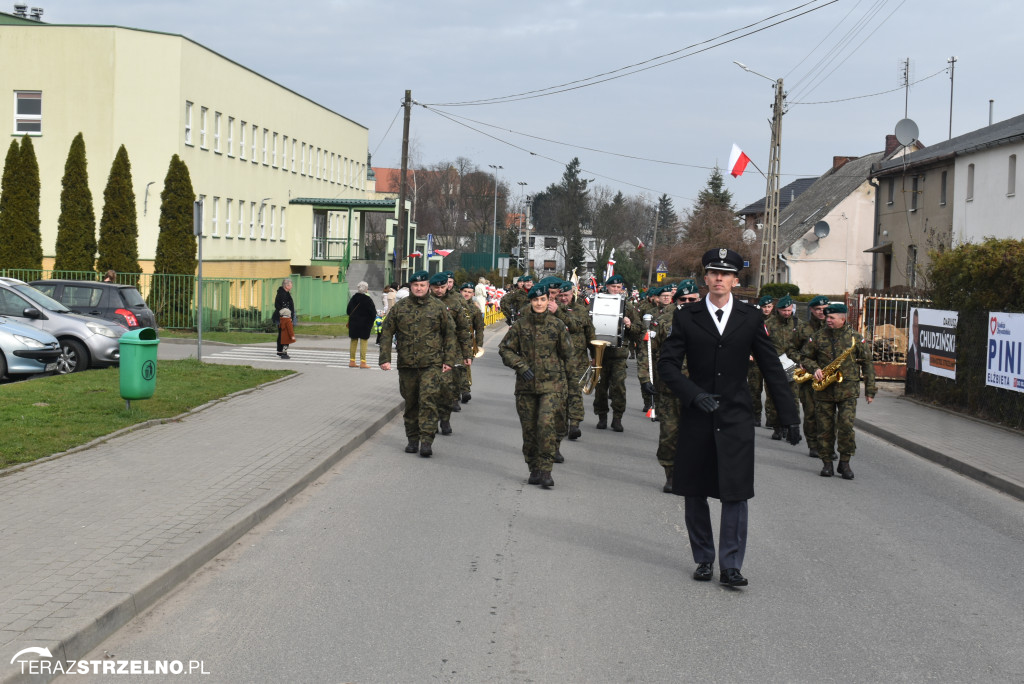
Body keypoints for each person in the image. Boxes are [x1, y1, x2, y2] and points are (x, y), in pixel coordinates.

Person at [658, 248, 801, 588]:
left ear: (736, 280)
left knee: (735, 492)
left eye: (726, 274)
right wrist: (693, 394)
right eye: (712, 272)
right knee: (694, 491)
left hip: (736, 417)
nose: (719, 278)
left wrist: (789, 415)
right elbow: (666, 365)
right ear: (705, 278)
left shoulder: (751, 318)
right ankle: (704, 559)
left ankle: (732, 564)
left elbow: (771, 367)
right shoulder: (686, 315)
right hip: (697, 415)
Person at [378, 270, 459, 458]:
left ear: (428, 286)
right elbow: (387, 333)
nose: (419, 288)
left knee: (428, 401)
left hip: (432, 364)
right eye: (416, 286)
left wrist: (448, 360)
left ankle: (426, 441)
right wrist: (385, 358)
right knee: (411, 403)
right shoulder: (400, 308)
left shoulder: (438, 308)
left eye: (422, 285)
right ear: (411, 287)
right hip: (407, 365)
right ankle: (412, 440)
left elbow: (450, 335)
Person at [499, 283, 573, 488]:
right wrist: (520, 365)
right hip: (526, 386)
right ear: (530, 302)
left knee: (545, 425)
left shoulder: (557, 325)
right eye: (535, 300)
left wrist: (569, 385)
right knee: (530, 430)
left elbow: (568, 354)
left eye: (543, 300)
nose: (539, 303)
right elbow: (505, 350)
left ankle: (547, 469)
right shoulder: (521, 325)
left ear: (549, 300)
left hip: (552, 385)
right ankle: (534, 467)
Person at [799, 302, 876, 479]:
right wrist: (814, 368)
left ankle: (845, 462)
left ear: (843, 319)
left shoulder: (855, 338)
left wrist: (870, 390)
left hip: (848, 390)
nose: (828, 320)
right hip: (824, 390)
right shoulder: (817, 337)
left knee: (846, 427)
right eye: (827, 317)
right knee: (825, 428)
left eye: (832, 318)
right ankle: (827, 463)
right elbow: (805, 357)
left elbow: (868, 364)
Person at [637, 279, 700, 492]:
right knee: (670, 434)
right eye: (684, 299)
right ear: (676, 300)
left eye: (693, 299)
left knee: (695, 435)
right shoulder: (663, 322)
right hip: (669, 388)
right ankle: (671, 475)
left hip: (698, 390)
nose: (688, 303)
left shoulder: (708, 322)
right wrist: (645, 378)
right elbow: (646, 352)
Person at [593, 274, 641, 432]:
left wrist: (629, 325)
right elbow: (589, 328)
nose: (615, 289)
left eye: (618, 287)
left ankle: (617, 418)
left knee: (618, 387)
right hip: (601, 354)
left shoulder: (628, 307)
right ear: (607, 287)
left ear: (622, 289)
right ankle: (602, 417)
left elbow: (638, 331)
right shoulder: (597, 304)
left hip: (619, 355)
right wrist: (592, 353)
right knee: (600, 388)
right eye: (613, 287)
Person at [555, 280, 595, 442]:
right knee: (560, 394)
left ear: (573, 294)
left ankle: (575, 424)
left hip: (578, 360)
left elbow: (581, 328)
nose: (564, 298)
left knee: (574, 392)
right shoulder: (551, 309)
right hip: (557, 360)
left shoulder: (580, 310)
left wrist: (595, 355)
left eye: (566, 295)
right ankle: (562, 424)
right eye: (561, 295)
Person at [432, 272, 473, 432]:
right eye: (437, 287)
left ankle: (445, 419)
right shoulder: (426, 301)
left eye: (443, 286)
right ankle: (432, 422)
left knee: (448, 389)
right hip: (430, 352)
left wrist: (467, 354)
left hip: (451, 351)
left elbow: (463, 329)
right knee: (431, 390)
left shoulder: (456, 302)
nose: (440, 290)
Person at [794, 295, 829, 457]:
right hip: (808, 377)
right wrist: (800, 360)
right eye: (818, 309)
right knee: (811, 413)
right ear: (811, 310)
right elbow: (791, 349)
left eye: (824, 309)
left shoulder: (834, 327)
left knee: (828, 415)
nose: (822, 312)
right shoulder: (803, 328)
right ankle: (813, 445)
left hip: (828, 377)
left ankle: (827, 447)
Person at [765, 294, 802, 439]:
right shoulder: (769, 324)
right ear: (778, 310)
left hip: (793, 365)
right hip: (774, 365)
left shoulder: (798, 324)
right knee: (775, 397)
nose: (787, 313)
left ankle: (792, 427)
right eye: (784, 310)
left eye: (789, 310)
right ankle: (777, 427)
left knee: (793, 398)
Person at [747, 294, 774, 427]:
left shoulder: (775, 322)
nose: (767, 309)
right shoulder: (754, 320)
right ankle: (756, 416)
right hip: (754, 360)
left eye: (769, 307)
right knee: (754, 390)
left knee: (770, 391)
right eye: (764, 307)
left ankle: (770, 418)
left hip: (768, 360)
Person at [460, 282, 486, 402]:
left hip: (469, 343)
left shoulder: (475, 310)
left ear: (473, 294)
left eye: (469, 292)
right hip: (455, 341)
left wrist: (479, 345)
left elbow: (479, 329)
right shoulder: (456, 306)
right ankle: (461, 390)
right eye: (465, 291)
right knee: (457, 366)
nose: (467, 294)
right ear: (461, 292)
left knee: (466, 365)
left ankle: (465, 390)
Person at [346, 281, 376, 368]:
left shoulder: (353, 298)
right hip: (364, 324)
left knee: (353, 341)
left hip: (353, 323)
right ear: (366, 289)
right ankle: (363, 362)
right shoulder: (368, 300)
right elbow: (373, 313)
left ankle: (352, 361)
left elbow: (348, 311)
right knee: (364, 341)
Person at [272, 278, 296, 359]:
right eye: (291, 284)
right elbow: (284, 307)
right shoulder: (283, 294)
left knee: (282, 334)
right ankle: (283, 352)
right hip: (284, 318)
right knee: (285, 335)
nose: (292, 286)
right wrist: (289, 316)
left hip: (283, 317)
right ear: (287, 285)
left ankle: (279, 351)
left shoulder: (284, 293)